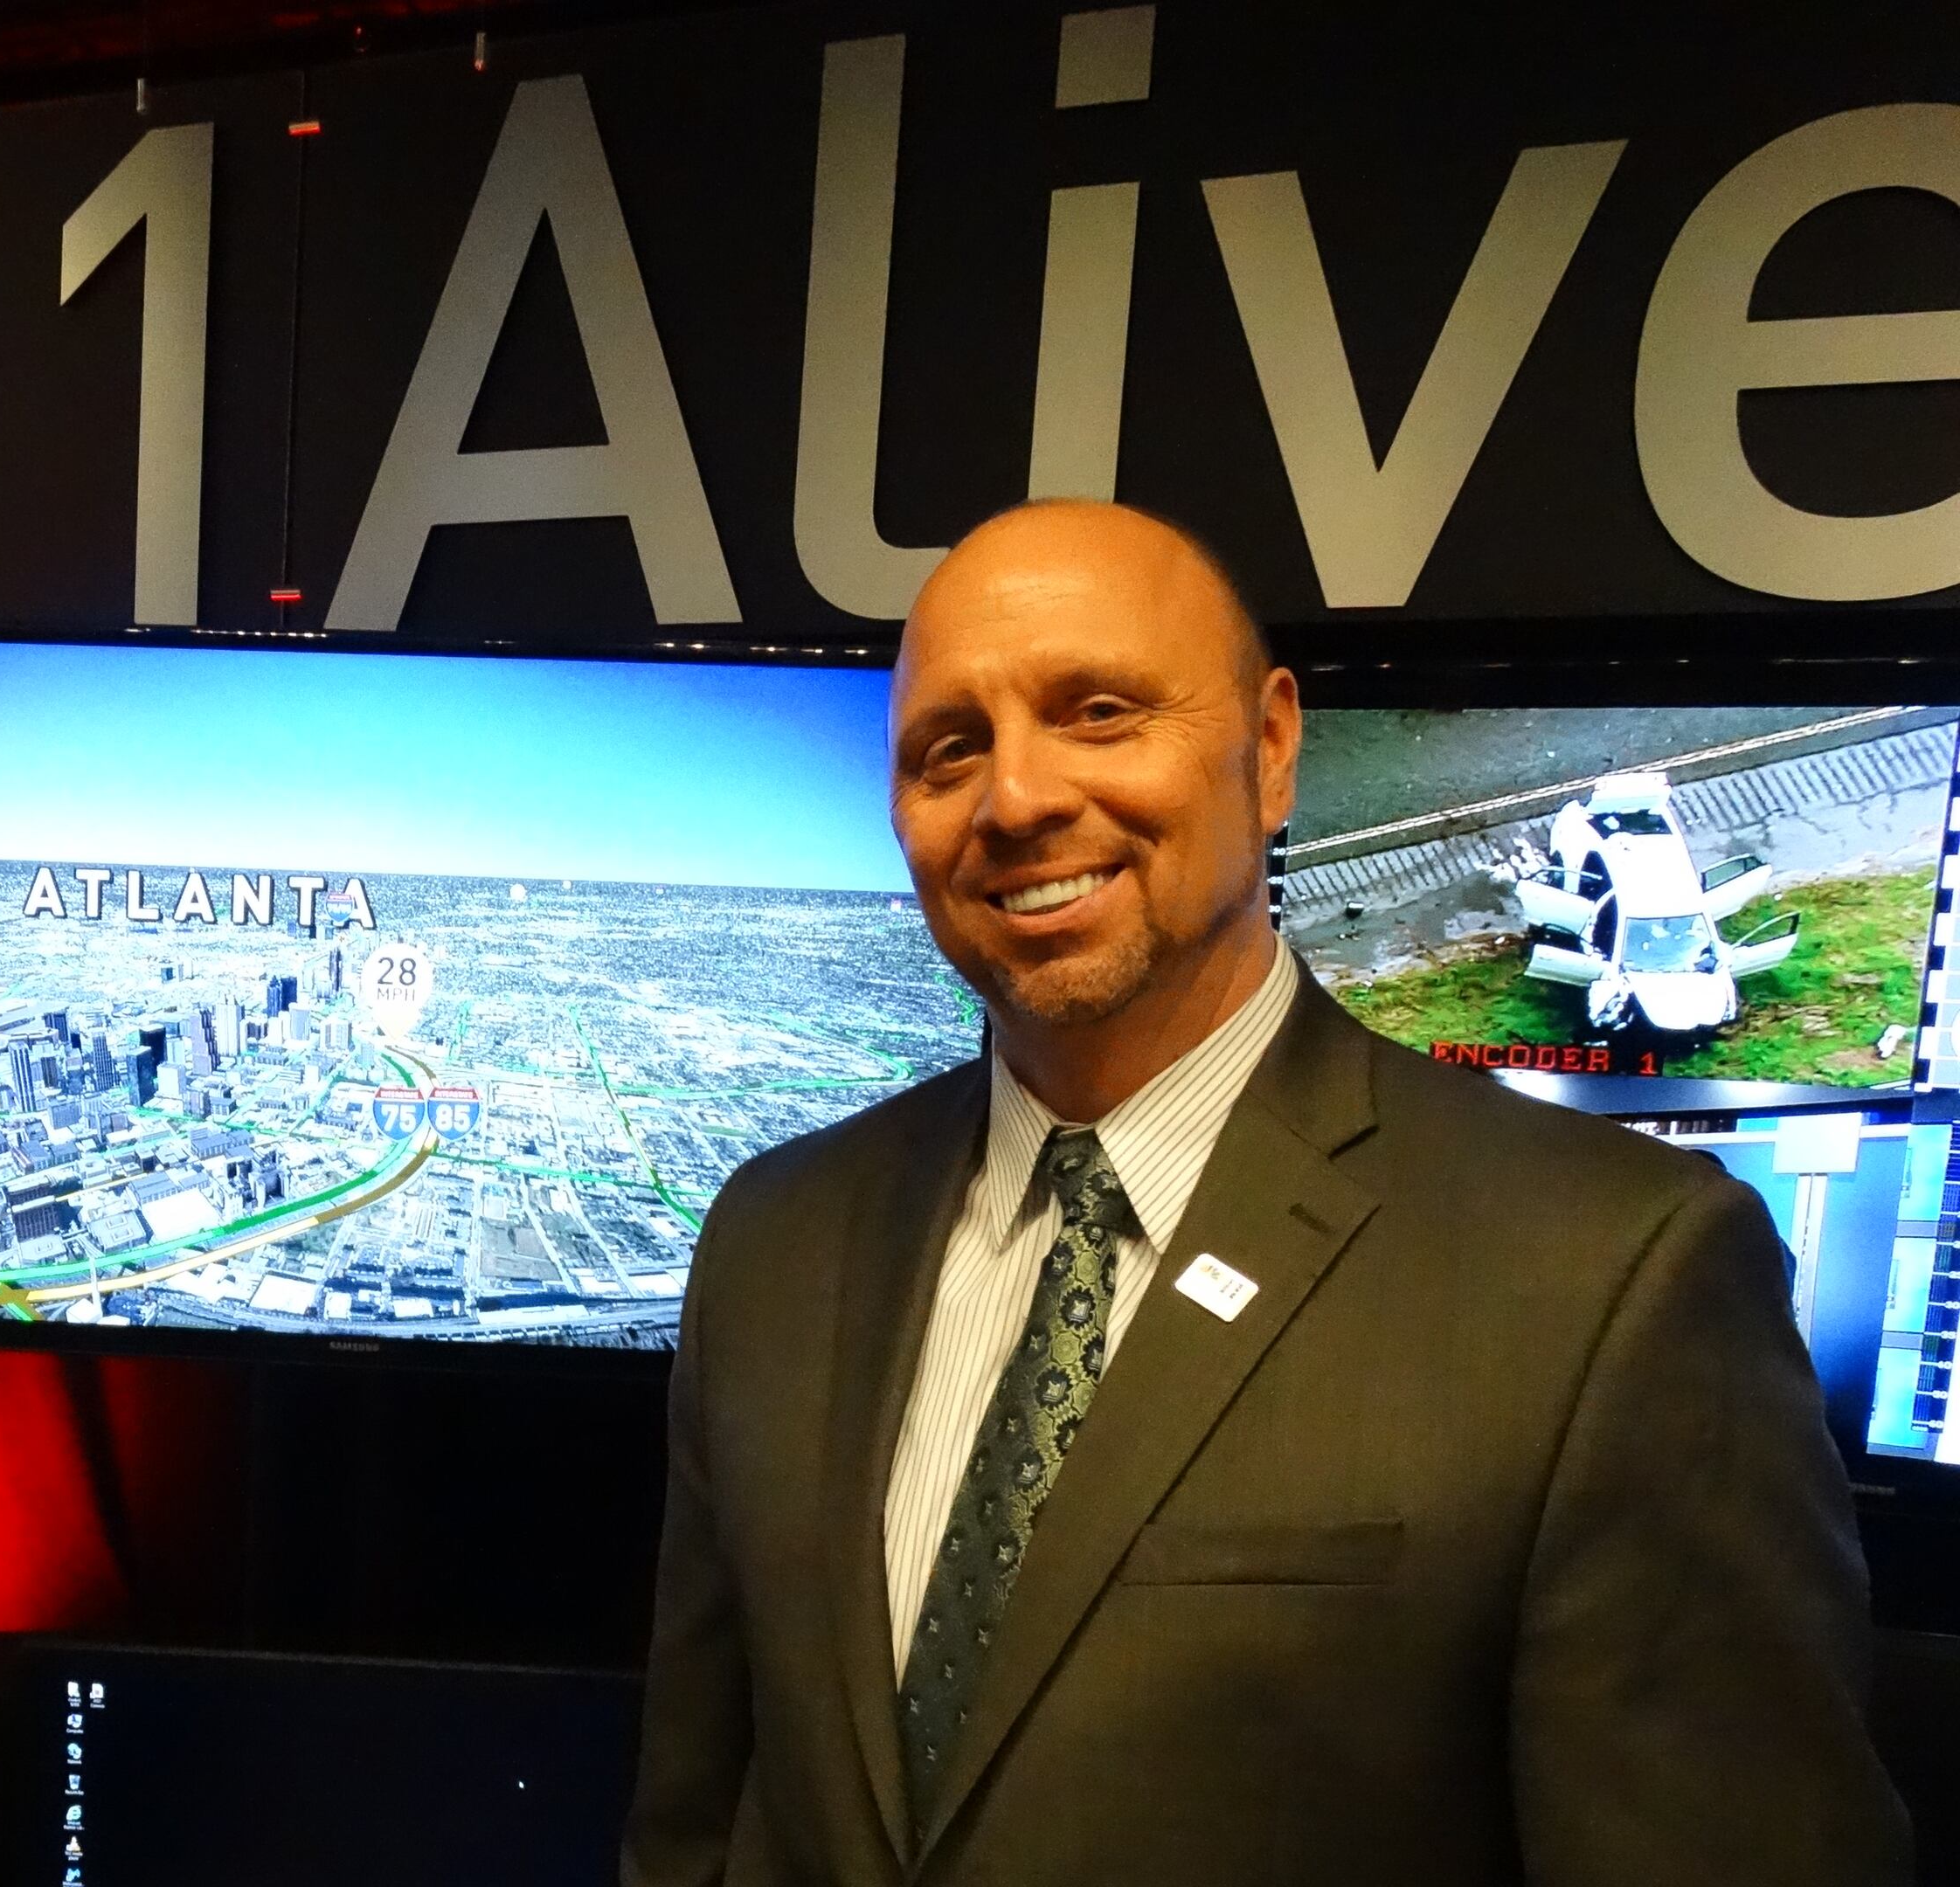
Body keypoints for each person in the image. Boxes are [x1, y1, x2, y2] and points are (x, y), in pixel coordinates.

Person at [620, 501, 1908, 1885]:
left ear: (1274, 745)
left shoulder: (1611, 1280)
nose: (1017, 798)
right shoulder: (775, 1244)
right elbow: (699, 1825)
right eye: (951, 748)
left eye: (1099, 710)